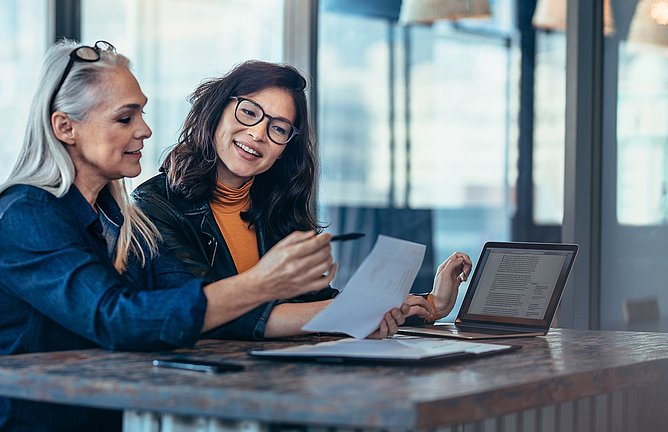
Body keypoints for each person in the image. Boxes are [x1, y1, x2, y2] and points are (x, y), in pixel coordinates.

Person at [0, 40, 354, 432]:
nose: (145, 130)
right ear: (66, 127)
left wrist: (352, 313)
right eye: (125, 118)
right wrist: (263, 282)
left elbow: (188, 304)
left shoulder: (122, 220)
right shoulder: (24, 213)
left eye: (142, 114)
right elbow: (118, 319)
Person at [132, 60, 473, 339]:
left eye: (279, 128)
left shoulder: (276, 207)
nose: (258, 134)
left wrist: (431, 304)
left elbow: (314, 302)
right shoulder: (154, 205)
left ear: (285, 149)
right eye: (249, 112)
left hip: (277, 377)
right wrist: (350, 314)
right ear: (217, 111)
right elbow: (206, 312)